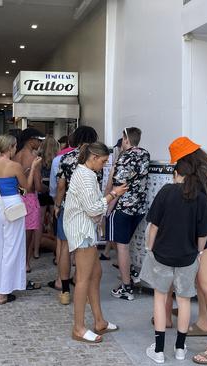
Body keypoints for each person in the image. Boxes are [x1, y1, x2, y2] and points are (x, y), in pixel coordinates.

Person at [142, 155, 207, 364]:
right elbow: (203, 234)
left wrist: (149, 249)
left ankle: (159, 351)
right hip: (188, 257)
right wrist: (198, 253)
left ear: (175, 174)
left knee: (160, 299)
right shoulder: (201, 197)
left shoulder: (166, 192)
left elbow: (154, 226)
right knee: (184, 300)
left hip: (162, 255)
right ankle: (180, 348)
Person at [168, 137, 207, 365]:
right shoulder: (205, 171)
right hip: (202, 236)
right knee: (202, 284)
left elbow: (205, 210)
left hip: (206, 238)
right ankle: (204, 323)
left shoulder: (204, 176)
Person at [63, 142, 128, 343]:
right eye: (103, 161)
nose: (104, 165)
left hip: (85, 230)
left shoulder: (87, 174)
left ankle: (99, 321)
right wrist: (113, 194)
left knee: (96, 274)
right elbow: (92, 209)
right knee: (83, 278)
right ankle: (79, 328)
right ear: (92, 157)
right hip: (81, 231)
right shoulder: (84, 175)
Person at [0, 134, 42, 305]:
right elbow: (26, 186)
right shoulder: (14, 166)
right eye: (15, 146)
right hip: (12, 205)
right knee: (12, 248)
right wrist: (33, 167)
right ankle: (4, 292)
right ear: (10, 147)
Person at [52, 127, 98, 305]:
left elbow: (61, 187)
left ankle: (64, 291)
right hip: (88, 209)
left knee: (65, 247)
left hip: (68, 209)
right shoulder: (94, 158)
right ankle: (84, 289)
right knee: (86, 249)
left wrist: (57, 205)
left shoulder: (66, 158)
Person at [108, 127, 150, 301]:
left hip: (123, 208)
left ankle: (126, 287)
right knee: (127, 244)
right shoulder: (145, 154)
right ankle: (131, 273)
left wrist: (106, 208)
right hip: (139, 208)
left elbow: (118, 186)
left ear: (125, 140)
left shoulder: (124, 157)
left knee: (122, 246)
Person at [13, 128, 45, 273]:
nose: (40, 143)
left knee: (16, 234)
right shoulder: (33, 159)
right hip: (30, 198)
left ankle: (16, 261)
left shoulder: (15, 155)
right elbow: (37, 186)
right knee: (29, 234)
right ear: (31, 140)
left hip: (15, 197)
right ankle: (25, 263)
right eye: (39, 140)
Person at [36, 136, 60, 258]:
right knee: (53, 219)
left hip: (42, 188)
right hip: (53, 188)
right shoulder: (58, 159)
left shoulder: (38, 158)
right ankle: (56, 248)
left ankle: (35, 250)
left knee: (39, 221)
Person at [100, 138, 123, 261]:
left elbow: (109, 186)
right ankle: (107, 252)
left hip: (114, 201)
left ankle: (122, 262)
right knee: (111, 232)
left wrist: (105, 200)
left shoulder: (117, 165)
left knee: (111, 231)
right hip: (123, 204)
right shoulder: (131, 163)